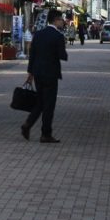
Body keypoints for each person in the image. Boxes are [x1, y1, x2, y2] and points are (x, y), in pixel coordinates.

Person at [20, 8, 69, 143]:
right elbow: (62, 56)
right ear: (56, 20)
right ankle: (45, 134)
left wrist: (30, 73)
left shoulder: (39, 34)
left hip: (37, 73)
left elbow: (32, 55)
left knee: (41, 102)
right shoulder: (58, 36)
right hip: (51, 74)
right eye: (61, 20)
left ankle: (28, 124)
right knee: (49, 105)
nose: (62, 23)